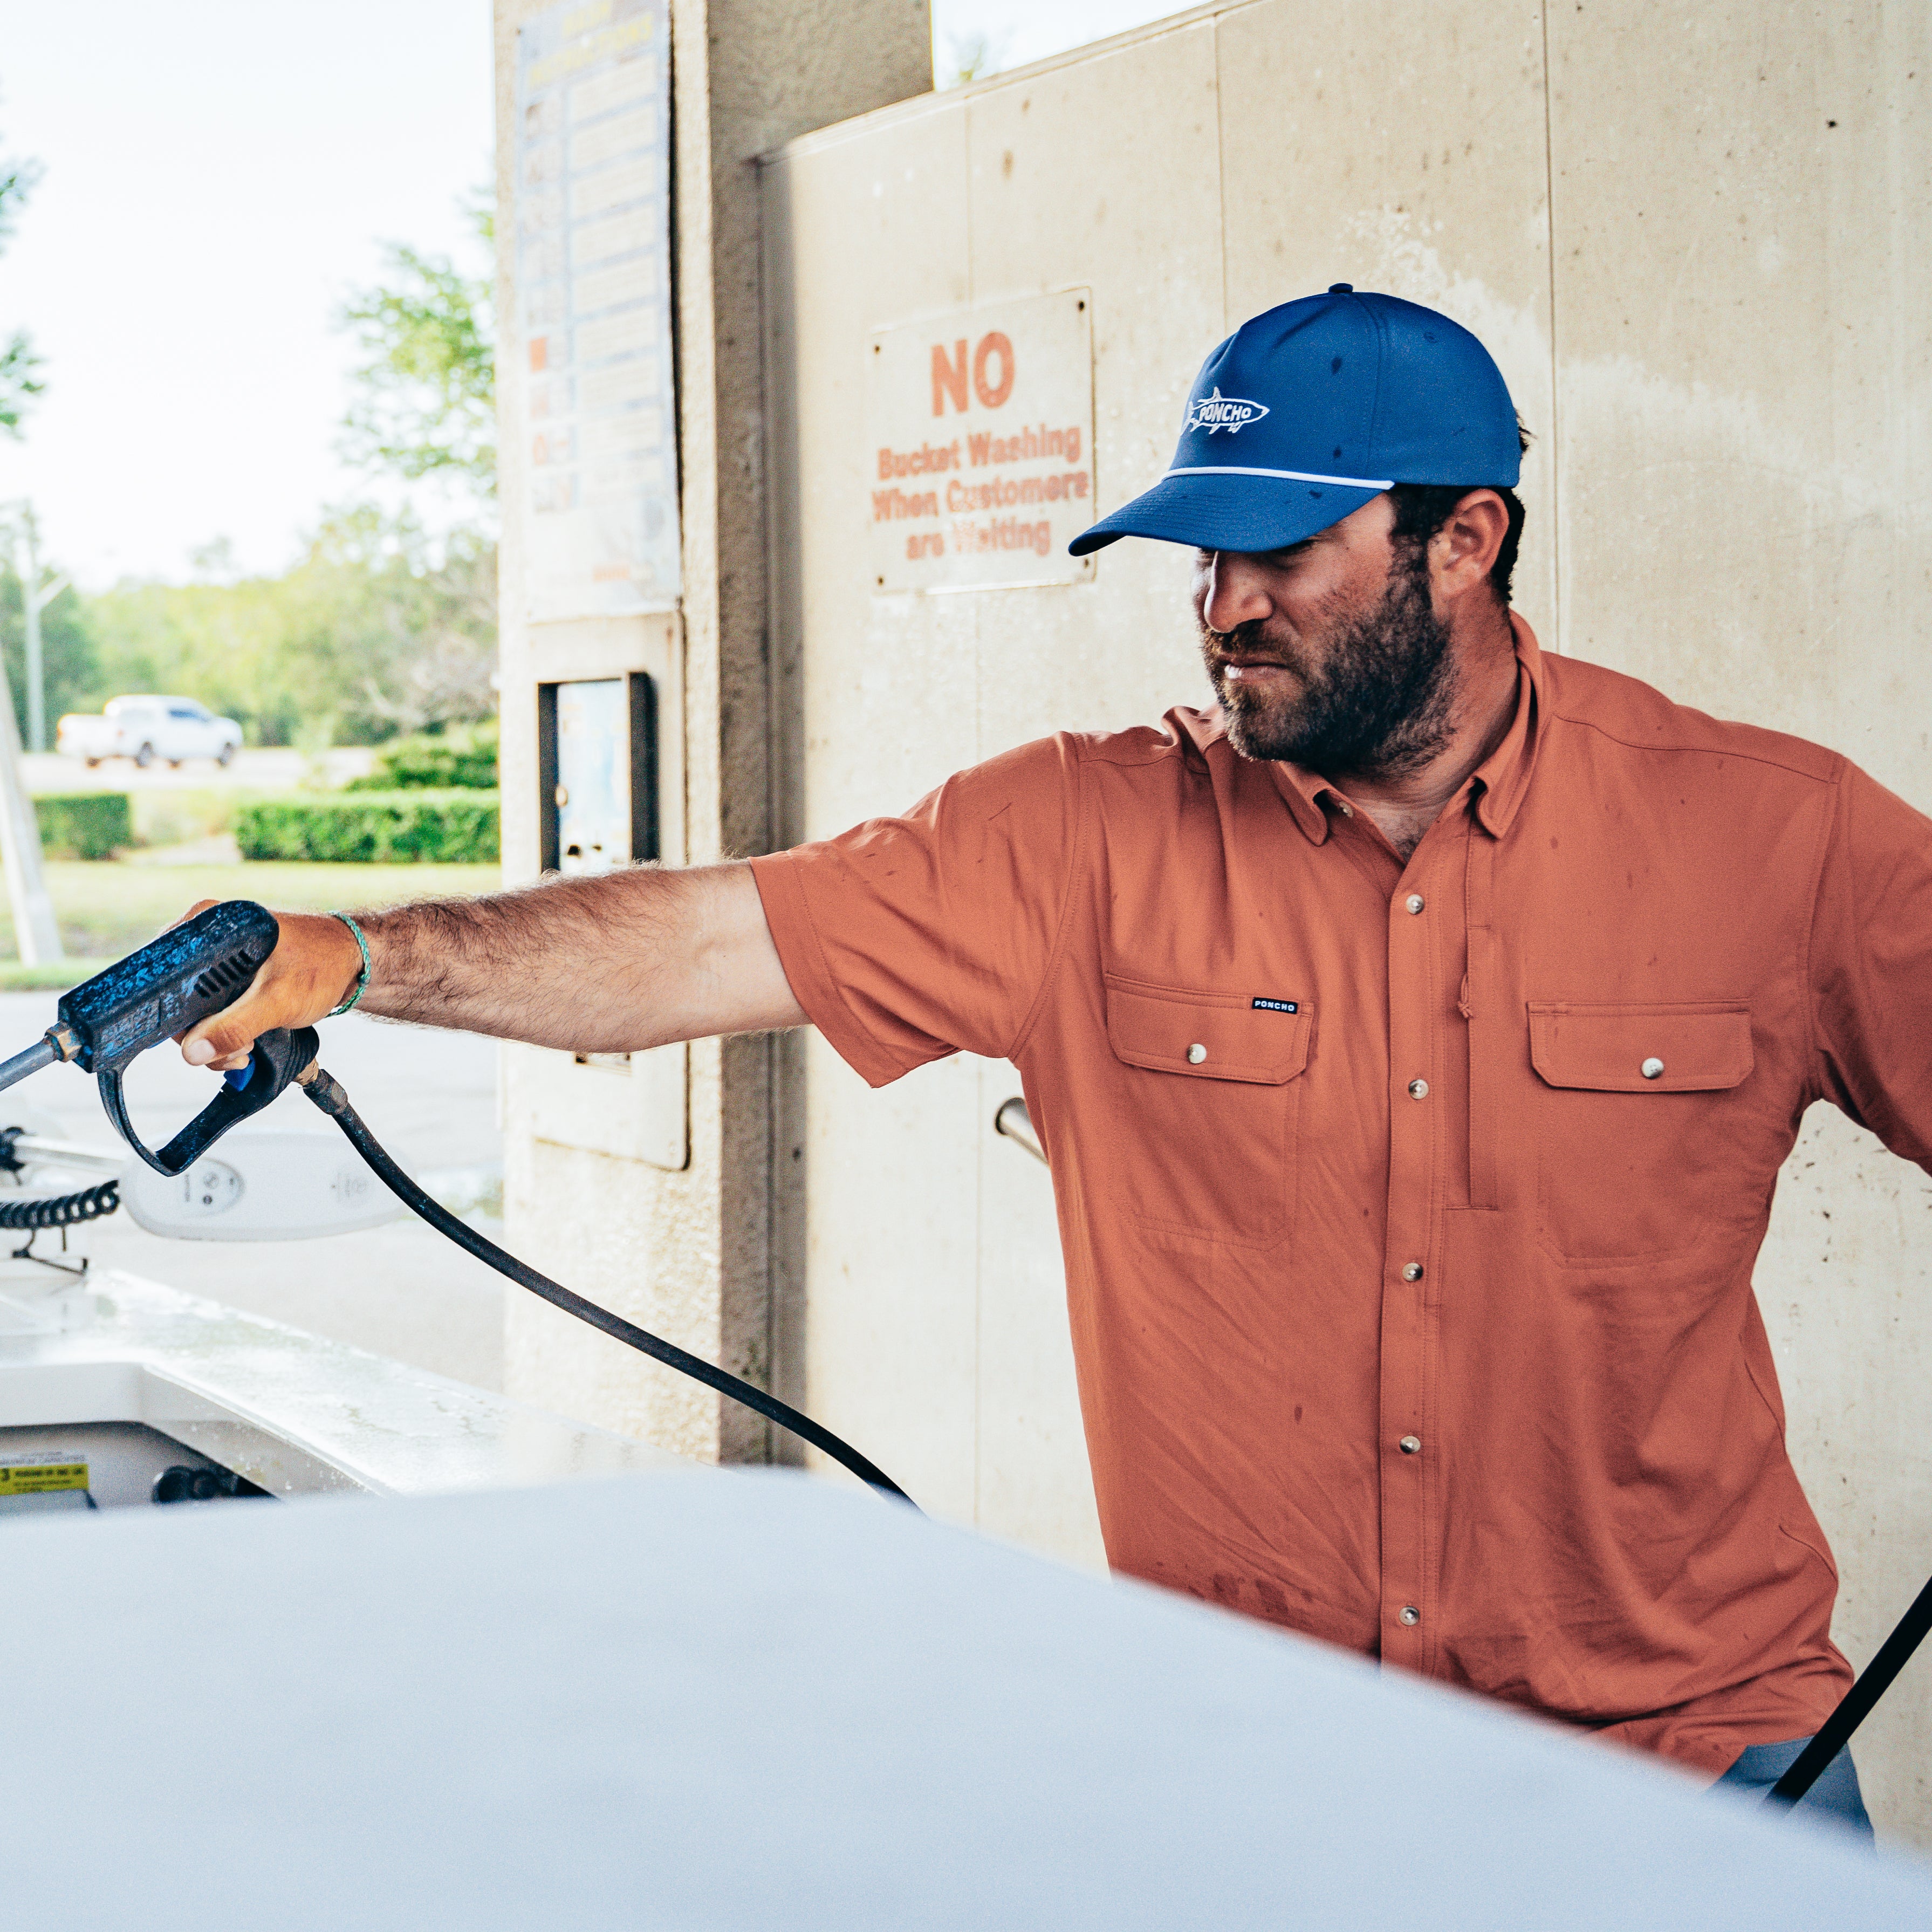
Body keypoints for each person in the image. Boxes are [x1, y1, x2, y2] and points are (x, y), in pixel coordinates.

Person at [182, 287, 1910, 1837]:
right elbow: (709, 940)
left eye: (1282, 552)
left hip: (1704, 1770)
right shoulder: (1079, 836)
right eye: (1202, 557)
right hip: (1250, 1777)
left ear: (1464, 539)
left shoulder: (1781, 841)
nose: (1225, 606)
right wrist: (359, 957)